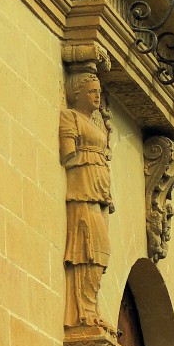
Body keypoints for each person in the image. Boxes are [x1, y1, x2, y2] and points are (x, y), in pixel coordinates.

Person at [59, 69, 113, 330]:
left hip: (99, 195)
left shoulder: (97, 124)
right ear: (77, 93)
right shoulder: (71, 117)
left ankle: (91, 306)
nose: (97, 97)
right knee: (87, 250)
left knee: (101, 253)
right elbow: (69, 153)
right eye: (92, 92)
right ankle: (84, 310)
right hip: (83, 194)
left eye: (99, 93)